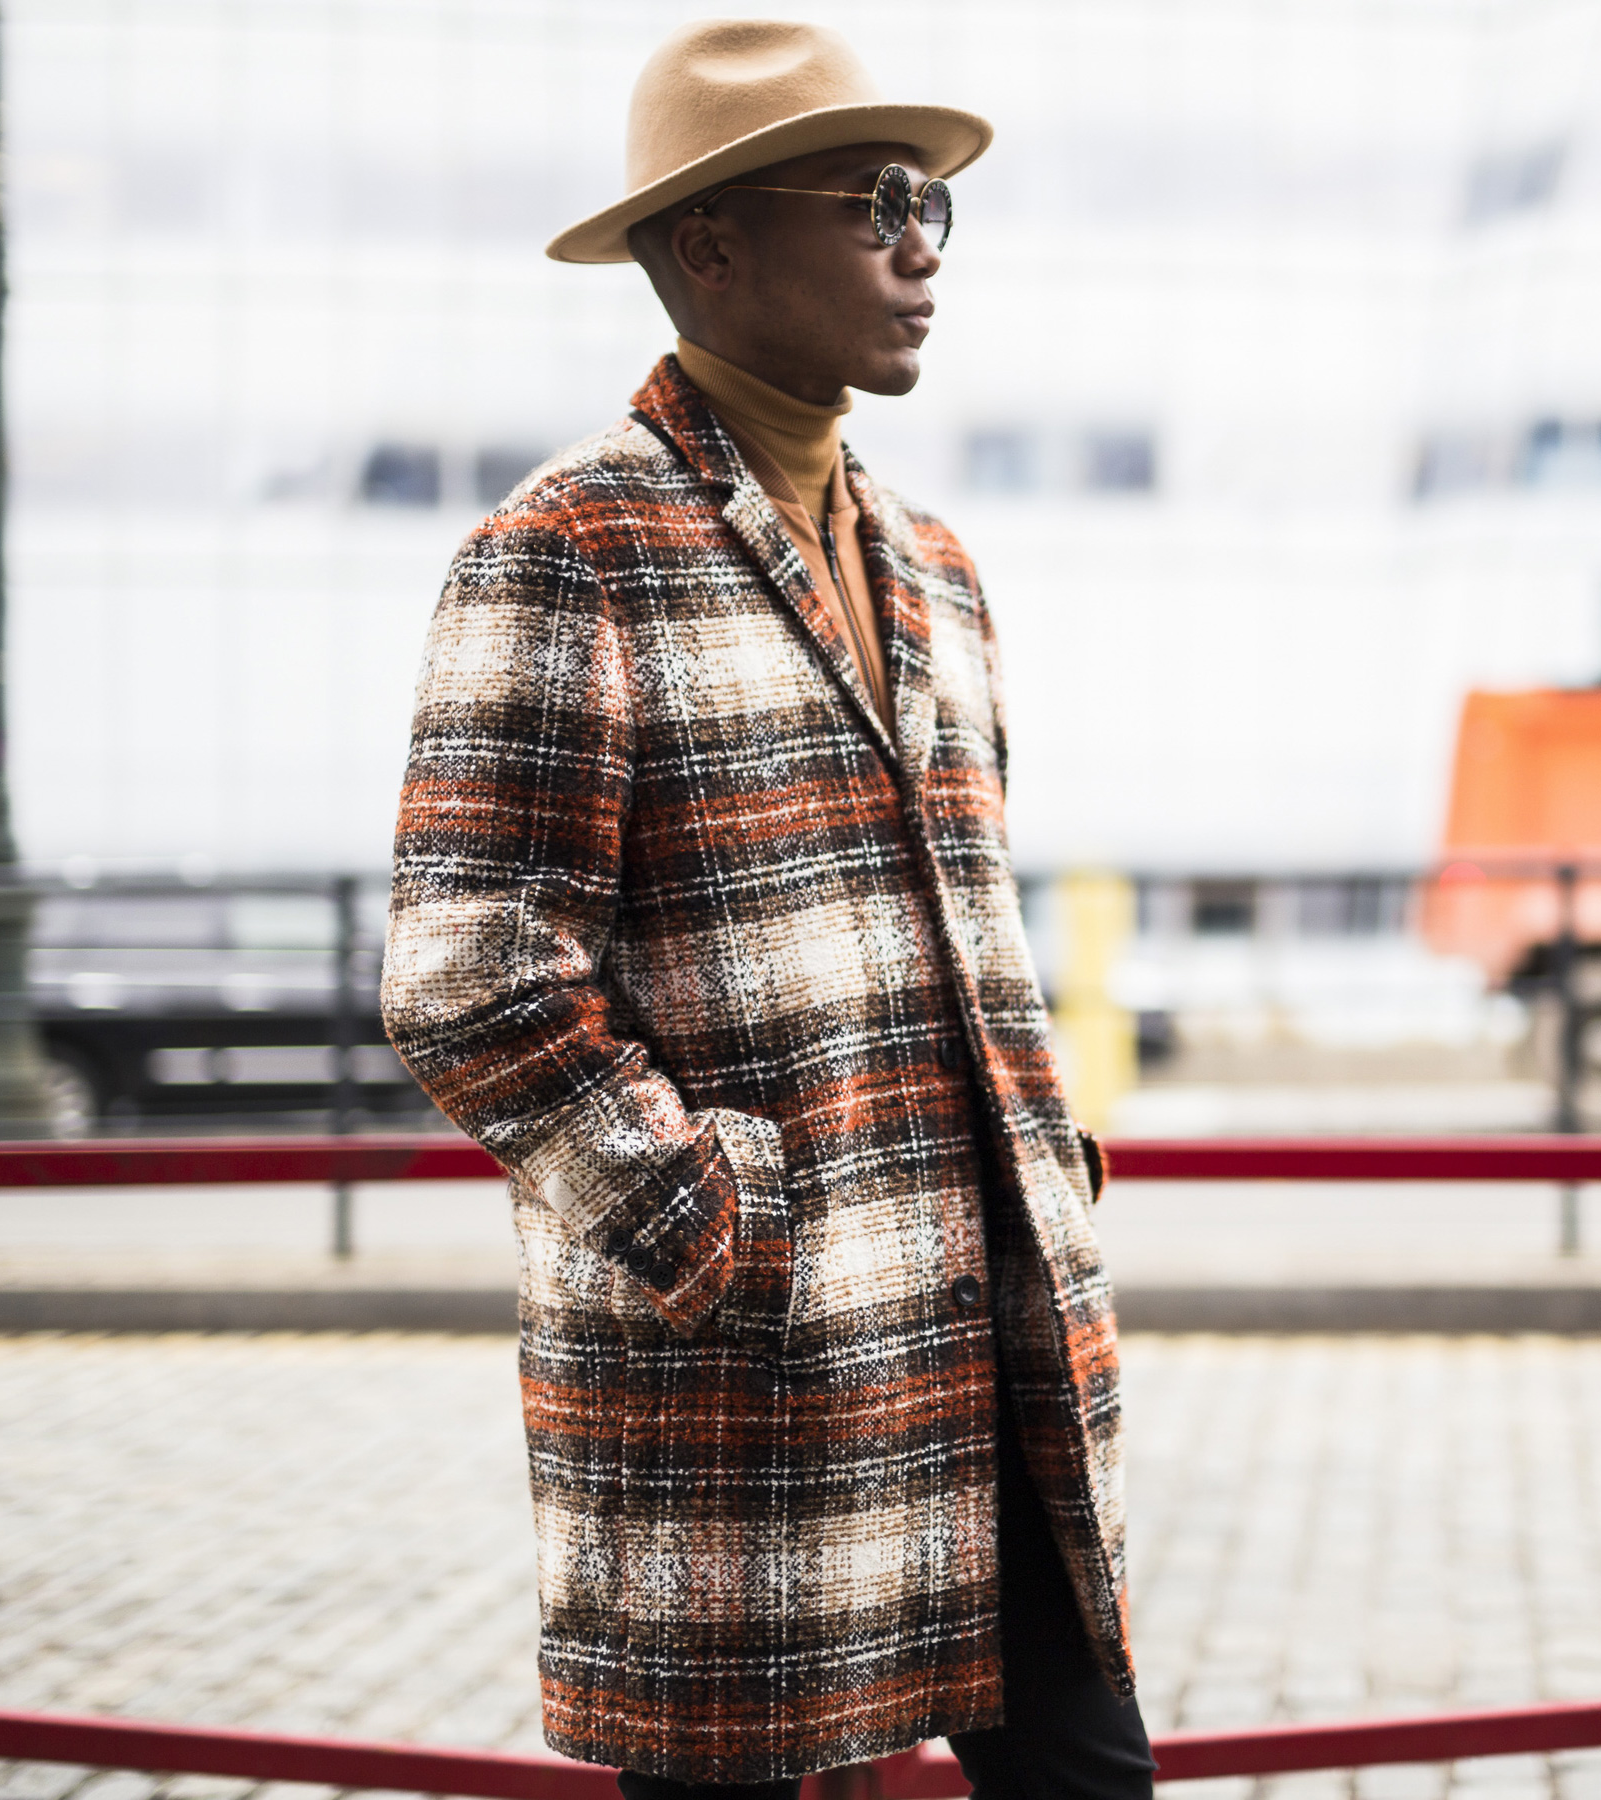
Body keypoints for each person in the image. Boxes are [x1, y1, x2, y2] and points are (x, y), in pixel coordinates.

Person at [379, 21, 1151, 1800]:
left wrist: (1034, 1169)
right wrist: (724, 1231)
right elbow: (469, 975)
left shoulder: (935, 565)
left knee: (1088, 1774)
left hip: (988, 1346)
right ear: (712, 244)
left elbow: (963, 935)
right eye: (875, 203)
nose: (920, 248)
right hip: (743, 1372)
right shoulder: (568, 548)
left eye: (933, 205)